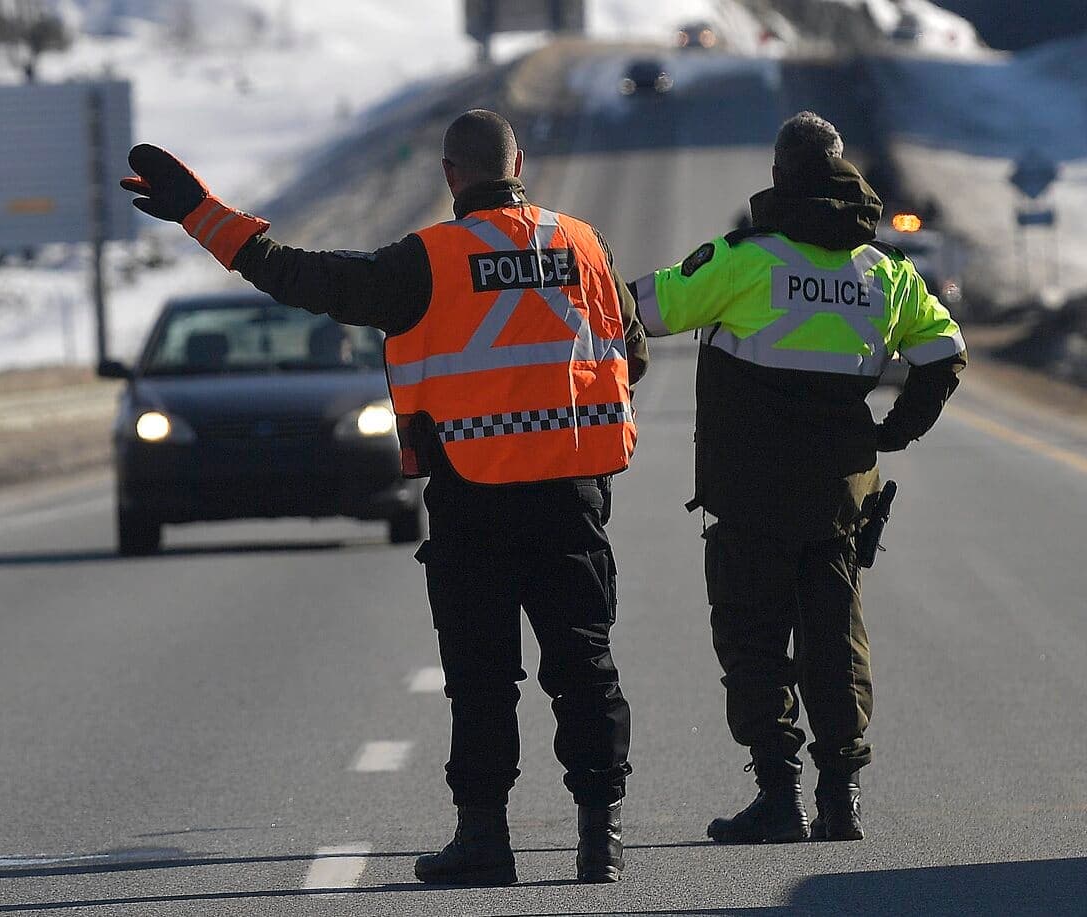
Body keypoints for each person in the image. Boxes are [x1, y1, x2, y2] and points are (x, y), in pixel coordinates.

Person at [120, 109, 648, 884]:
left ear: (450, 175)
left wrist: (202, 215)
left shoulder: (427, 260)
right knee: (585, 665)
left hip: (473, 493)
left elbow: (302, 276)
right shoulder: (585, 244)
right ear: (519, 165)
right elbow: (629, 352)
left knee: (481, 678)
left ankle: (484, 840)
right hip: (572, 495)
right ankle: (601, 839)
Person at [628, 111, 966, 844]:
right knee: (836, 639)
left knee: (753, 640)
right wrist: (893, 433)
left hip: (750, 495)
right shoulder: (885, 272)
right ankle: (841, 799)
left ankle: (778, 796)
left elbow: (639, 310)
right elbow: (946, 352)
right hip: (838, 496)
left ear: (779, 175)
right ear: (843, 171)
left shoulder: (744, 260)